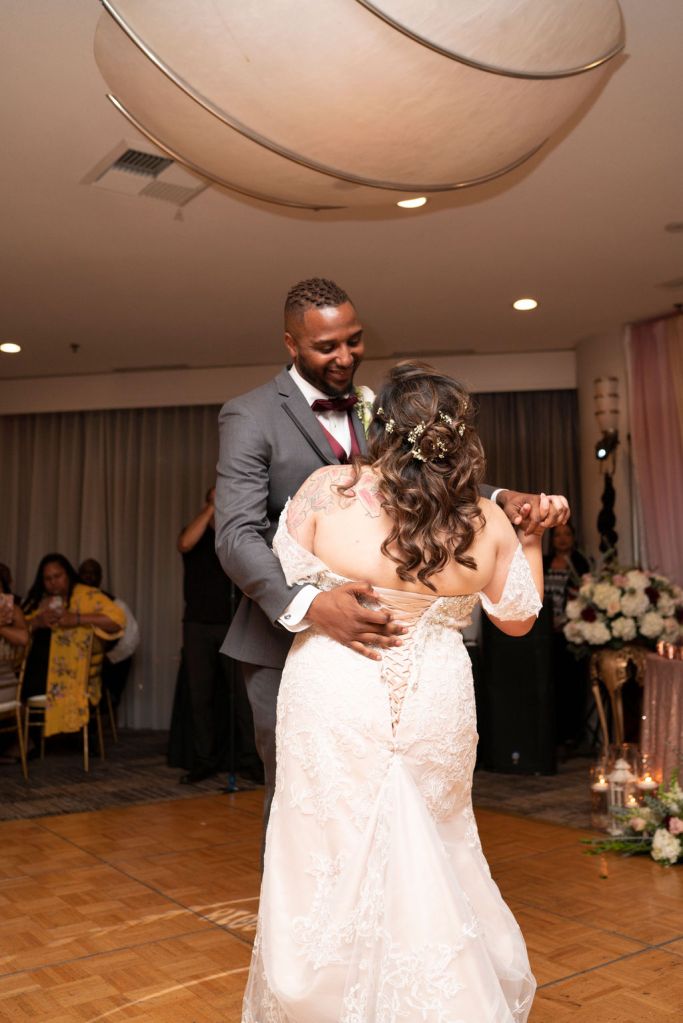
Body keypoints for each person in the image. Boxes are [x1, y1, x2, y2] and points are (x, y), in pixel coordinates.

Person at [242, 362, 543, 1021]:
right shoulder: (487, 521)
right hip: (435, 694)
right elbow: (518, 618)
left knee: (324, 842)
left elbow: (283, 571)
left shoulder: (327, 492)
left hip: (335, 681)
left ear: (376, 428)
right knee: (438, 839)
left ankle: (321, 999)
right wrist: (530, 539)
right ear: (460, 438)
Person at [215, 278, 569, 831]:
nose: (345, 356)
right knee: (301, 804)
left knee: (400, 802)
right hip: (283, 638)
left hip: (398, 646)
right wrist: (311, 605)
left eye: (353, 340)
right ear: (290, 344)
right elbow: (236, 535)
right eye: (326, 347)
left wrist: (501, 497)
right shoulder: (250, 414)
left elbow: (417, 476)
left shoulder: (372, 404)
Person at [177, 487, 260, 784]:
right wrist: (212, 508)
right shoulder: (195, 534)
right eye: (214, 497)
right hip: (197, 625)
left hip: (233, 624)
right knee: (201, 696)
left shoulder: (234, 537)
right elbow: (184, 543)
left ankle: (251, 759)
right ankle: (204, 759)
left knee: (243, 697)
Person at [21, 554, 125, 739]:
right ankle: (34, 738)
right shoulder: (42, 600)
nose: (53, 582)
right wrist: (37, 622)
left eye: (57, 576)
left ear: (68, 574)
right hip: (44, 670)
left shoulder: (87, 594)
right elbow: (21, 628)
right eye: (47, 578)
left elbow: (117, 621)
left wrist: (76, 619)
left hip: (77, 674)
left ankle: (37, 738)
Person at [543, 523, 591, 751]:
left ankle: (573, 735)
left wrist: (564, 620)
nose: (562, 539)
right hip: (545, 634)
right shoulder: (543, 562)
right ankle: (553, 734)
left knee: (571, 685)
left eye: (567, 534)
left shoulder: (580, 563)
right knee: (551, 683)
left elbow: (584, 598)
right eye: (557, 535)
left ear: (573, 538)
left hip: (571, 633)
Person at [78, 559, 140, 711]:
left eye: (93, 573)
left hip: (104, 665)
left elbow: (132, 638)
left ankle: (105, 709)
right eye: (85, 573)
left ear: (100, 578)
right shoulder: (70, 603)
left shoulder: (115, 605)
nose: (88, 577)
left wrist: (108, 658)